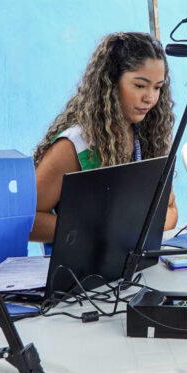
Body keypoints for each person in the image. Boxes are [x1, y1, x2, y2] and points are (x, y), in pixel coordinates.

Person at [32, 32, 176, 242]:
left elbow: (170, 208)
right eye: (139, 85)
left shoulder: (148, 136)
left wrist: (138, 230)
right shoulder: (74, 145)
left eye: (157, 87)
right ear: (109, 83)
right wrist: (100, 231)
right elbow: (28, 222)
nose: (150, 98)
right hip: (79, 270)